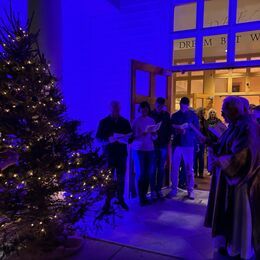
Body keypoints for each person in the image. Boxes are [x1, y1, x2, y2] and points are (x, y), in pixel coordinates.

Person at [204, 96, 260, 259]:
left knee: (239, 218)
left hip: (242, 184)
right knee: (229, 216)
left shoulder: (248, 127)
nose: (222, 115)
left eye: (225, 111)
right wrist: (209, 142)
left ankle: (238, 248)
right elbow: (225, 145)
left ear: (235, 110)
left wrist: (220, 161)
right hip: (229, 181)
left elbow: (244, 157)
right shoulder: (235, 125)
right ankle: (229, 245)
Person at [96, 101, 132, 211]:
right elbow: (98, 137)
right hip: (109, 155)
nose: (116, 110)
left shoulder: (125, 122)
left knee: (121, 178)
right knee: (108, 179)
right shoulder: (104, 122)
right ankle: (107, 201)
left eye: (117, 108)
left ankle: (121, 199)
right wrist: (108, 139)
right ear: (110, 109)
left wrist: (126, 139)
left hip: (121, 154)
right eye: (114, 108)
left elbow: (130, 138)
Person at [168, 97, 199, 200]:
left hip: (189, 144)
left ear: (188, 105)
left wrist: (188, 133)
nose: (183, 107)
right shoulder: (175, 115)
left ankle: (190, 190)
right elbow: (171, 129)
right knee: (175, 167)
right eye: (181, 105)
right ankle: (174, 189)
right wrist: (177, 130)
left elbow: (196, 131)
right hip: (177, 144)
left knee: (189, 168)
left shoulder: (193, 116)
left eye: (185, 105)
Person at [132, 101, 157, 205]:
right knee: (141, 173)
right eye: (143, 109)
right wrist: (142, 133)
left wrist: (154, 133)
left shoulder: (151, 120)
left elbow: (155, 138)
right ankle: (140, 197)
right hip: (139, 150)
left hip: (150, 149)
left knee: (148, 173)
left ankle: (145, 195)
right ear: (140, 109)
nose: (144, 110)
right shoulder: (136, 121)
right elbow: (131, 137)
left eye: (146, 109)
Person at [150, 97, 171, 198]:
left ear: (163, 106)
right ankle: (153, 190)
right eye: (158, 105)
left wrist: (167, 141)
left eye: (161, 106)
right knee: (153, 168)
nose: (159, 107)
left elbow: (169, 129)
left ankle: (159, 189)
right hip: (152, 145)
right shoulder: (151, 114)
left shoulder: (166, 115)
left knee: (161, 168)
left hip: (163, 144)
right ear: (155, 104)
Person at [194, 108, 207, 178]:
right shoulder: (195, 120)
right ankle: (195, 172)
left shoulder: (204, 121)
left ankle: (201, 173)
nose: (202, 114)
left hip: (202, 142)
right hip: (195, 141)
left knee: (201, 157)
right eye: (201, 112)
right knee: (195, 157)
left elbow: (206, 131)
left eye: (203, 113)